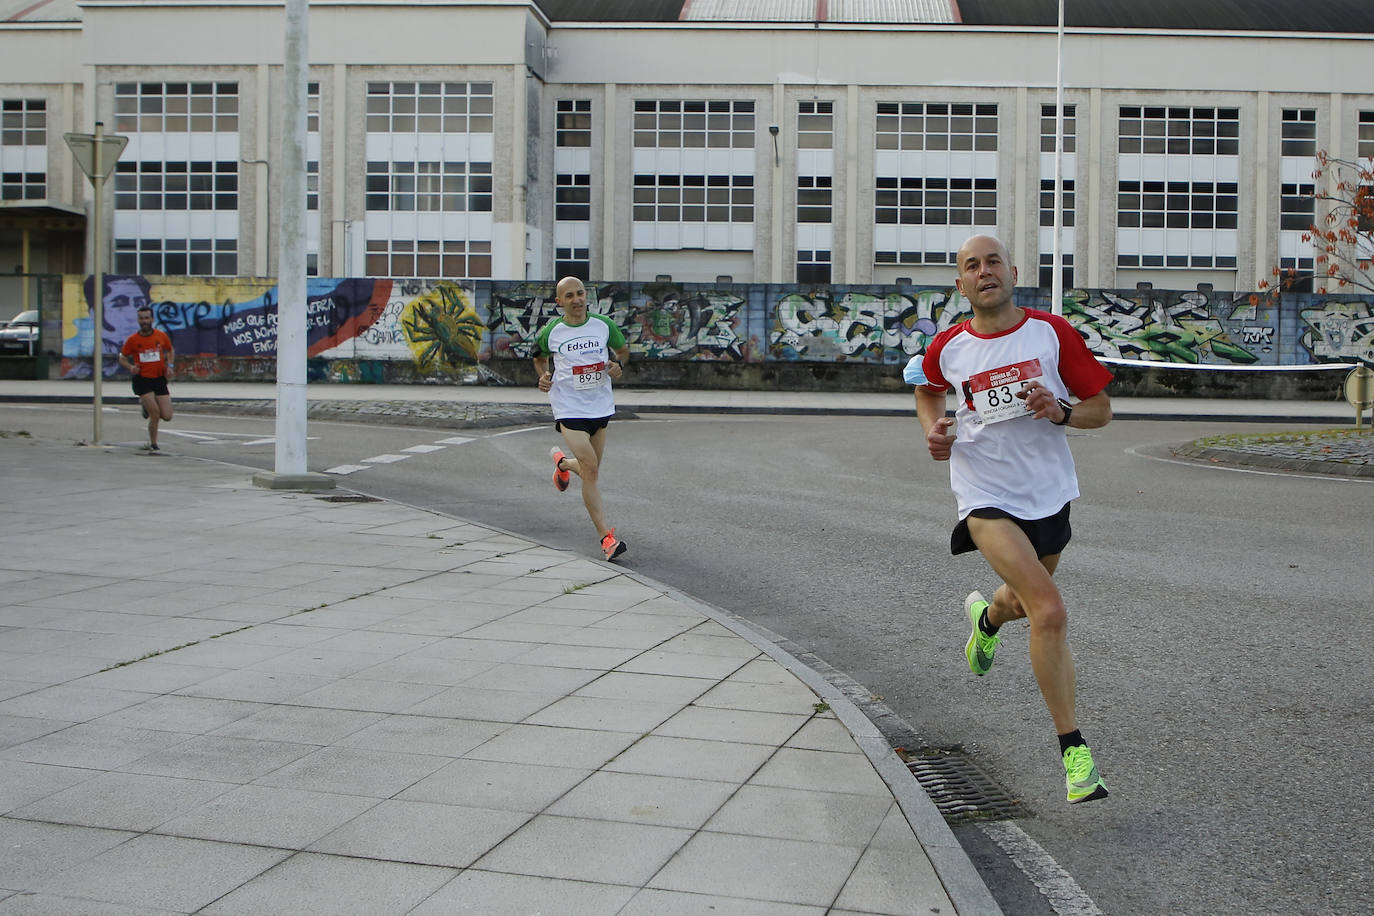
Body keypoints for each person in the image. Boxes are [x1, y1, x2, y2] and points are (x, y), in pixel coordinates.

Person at [914, 234, 1114, 805]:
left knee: (1022, 604)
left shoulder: (1050, 334)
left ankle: (988, 620)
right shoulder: (947, 347)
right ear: (961, 285)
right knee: (1049, 610)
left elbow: (1101, 410)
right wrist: (931, 431)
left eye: (992, 261)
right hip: (985, 496)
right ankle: (1075, 754)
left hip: (1049, 495)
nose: (984, 272)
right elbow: (927, 392)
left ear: (1012, 272)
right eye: (971, 266)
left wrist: (1062, 411)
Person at [533, 276, 631, 561]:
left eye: (580, 293)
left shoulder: (603, 325)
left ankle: (562, 464)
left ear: (586, 296)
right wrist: (543, 376)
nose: (576, 299)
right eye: (569, 295)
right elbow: (538, 357)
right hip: (568, 407)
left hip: (600, 406)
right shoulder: (552, 331)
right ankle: (607, 538)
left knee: (592, 469)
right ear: (559, 301)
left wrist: (617, 365)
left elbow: (623, 351)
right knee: (590, 468)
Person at [117, 305, 175, 451]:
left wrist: (170, 366)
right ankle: (153, 444)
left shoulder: (161, 336)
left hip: (159, 378)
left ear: (152, 319)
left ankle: (145, 406)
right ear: (138, 320)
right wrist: (131, 367)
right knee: (155, 413)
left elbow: (170, 350)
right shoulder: (133, 340)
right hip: (142, 380)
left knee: (167, 416)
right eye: (141, 318)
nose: (144, 321)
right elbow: (122, 357)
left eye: (147, 318)